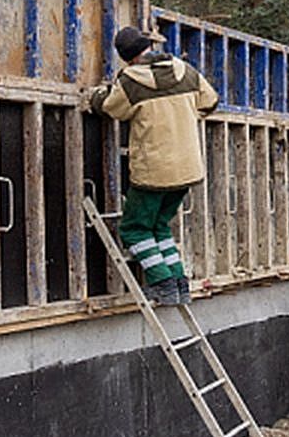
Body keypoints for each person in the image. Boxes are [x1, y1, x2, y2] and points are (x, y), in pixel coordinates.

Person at [89, 26, 218, 305]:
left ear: (126, 58)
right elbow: (210, 102)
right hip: (188, 169)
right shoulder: (185, 70)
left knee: (134, 228)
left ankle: (161, 282)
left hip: (154, 171)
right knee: (159, 225)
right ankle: (179, 283)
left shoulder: (131, 80)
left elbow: (112, 108)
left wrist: (94, 95)